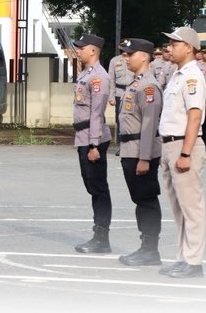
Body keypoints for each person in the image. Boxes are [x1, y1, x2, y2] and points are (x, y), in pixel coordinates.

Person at [158, 26, 206, 277]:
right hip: (170, 145)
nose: (170, 48)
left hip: (183, 145)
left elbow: (195, 116)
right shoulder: (177, 75)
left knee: (191, 207)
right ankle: (183, 257)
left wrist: (185, 153)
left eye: (174, 44)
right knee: (179, 208)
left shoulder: (191, 77)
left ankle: (194, 261)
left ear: (188, 47)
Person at [115, 37, 163, 266]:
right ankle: (145, 246)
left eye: (129, 54)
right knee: (140, 200)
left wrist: (144, 158)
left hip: (140, 153)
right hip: (130, 150)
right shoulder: (135, 83)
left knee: (146, 200)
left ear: (143, 56)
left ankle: (150, 250)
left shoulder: (148, 86)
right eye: (124, 54)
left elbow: (149, 125)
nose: (125, 57)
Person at [71, 33, 112, 253]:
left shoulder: (99, 77)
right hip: (83, 137)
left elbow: (97, 113)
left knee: (98, 188)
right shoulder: (85, 74)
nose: (78, 51)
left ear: (93, 50)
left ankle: (101, 238)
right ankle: (99, 236)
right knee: (92, 186)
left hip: (92, 138)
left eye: (81, 47)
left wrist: (95, 145)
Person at [107, 42, 134, 141]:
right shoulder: (114, 61)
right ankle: (120, 141)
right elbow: (111, 79)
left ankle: (130, 138)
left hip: (132, 92)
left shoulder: (134, 58)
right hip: (119, 92)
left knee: (131, 116)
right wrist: (111, 96)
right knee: (119, 117)